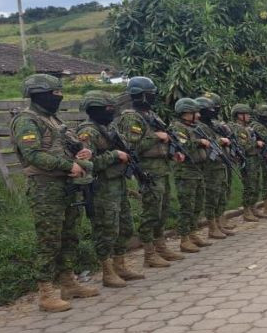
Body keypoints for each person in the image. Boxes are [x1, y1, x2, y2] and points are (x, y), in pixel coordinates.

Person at [11, 74, 99, 311]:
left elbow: (74, 145)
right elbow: (33, 154)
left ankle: (68, 282)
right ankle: (46, 292)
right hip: (44, 188)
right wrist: (67, 165)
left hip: (67, 186)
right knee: (49, 239)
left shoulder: (55, 120)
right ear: (38, 95)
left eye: (60, 94)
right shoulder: (27, 121)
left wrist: (83, 154)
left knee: (70, 235)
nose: (58, 98)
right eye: (54, 94)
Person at [76, 90, 143, 289]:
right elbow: (88, 164)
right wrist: (114, 155)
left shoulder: (108, 128)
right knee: (106, 231)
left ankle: (120, 265)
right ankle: (107, 271)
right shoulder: (88, 132)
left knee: (126, 226)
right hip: (102, 188)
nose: (111, 111)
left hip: (118, 184)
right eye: (107, 108)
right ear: (95, 109)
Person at [117, 76, 184, 267]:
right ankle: (149, 253)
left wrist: (173, 153)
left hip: (162, 168)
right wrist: (156, 137)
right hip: (148, 170)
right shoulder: (131, 117)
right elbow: (132, 146)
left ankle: (161, 246)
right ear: (141, 96)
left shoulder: (151, 115)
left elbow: (166, 138)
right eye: (150, 94)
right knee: (151, 211)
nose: (153, 97)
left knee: (162, 211)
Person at [169, 98, 211, 253]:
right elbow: (183, 145)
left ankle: (193, 234)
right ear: (186, 113)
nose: (199, 115)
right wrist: (200, 142)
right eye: (195, 113)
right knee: (187, 206)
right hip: (185, 172)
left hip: (197, 171)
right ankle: (184, 239)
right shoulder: (177, 127)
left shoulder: (193, 127)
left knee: (197, 204)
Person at [195, 96, 235, 239]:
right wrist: (220, 140)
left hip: (219, 163)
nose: (212, 112)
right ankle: (212, 227)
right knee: (211, 195)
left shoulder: (211, 124)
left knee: (220, 194)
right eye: (209, 110)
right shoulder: (198, 126)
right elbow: (206, 141)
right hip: (209, 166)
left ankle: (219, 223)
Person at [230, 104, 263, 221]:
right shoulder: (239, 129)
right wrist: (256, 144)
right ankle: (247, 211)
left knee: (255, 184)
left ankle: (253, 207)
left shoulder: (247, 128)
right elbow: (243, 145)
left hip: (254, 158)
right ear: (239, 115)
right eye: (246, 114)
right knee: (249, 186)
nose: (249, 116)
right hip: (247, 159)